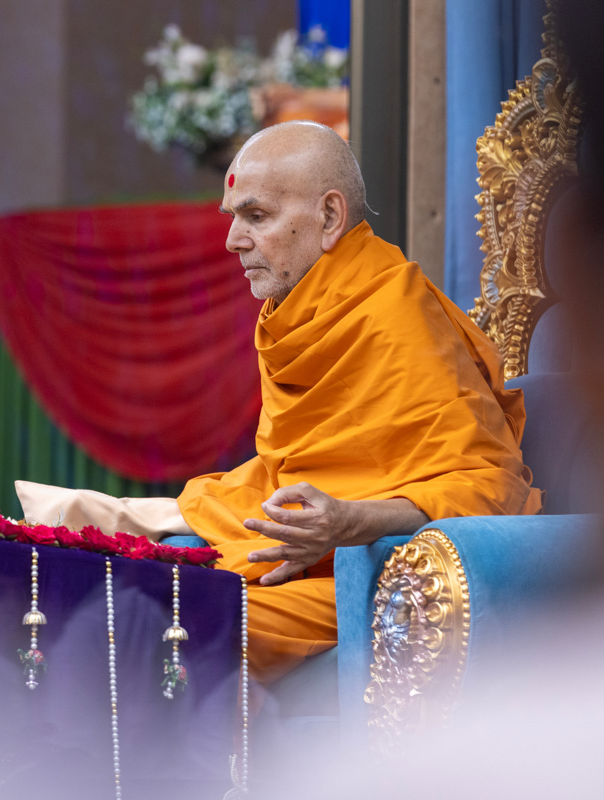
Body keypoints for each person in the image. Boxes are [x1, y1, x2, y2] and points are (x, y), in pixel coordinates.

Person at [177, 121, 542, 682]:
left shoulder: (396, 315)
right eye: (232, 217)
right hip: (308, 561)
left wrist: (350, 521)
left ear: (329, 217)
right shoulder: (295, 311)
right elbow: (300, 466)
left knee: (178, 624)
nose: (233, 240)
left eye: (256, 216)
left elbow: (488, 486)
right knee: (132, 594)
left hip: (386, 571)